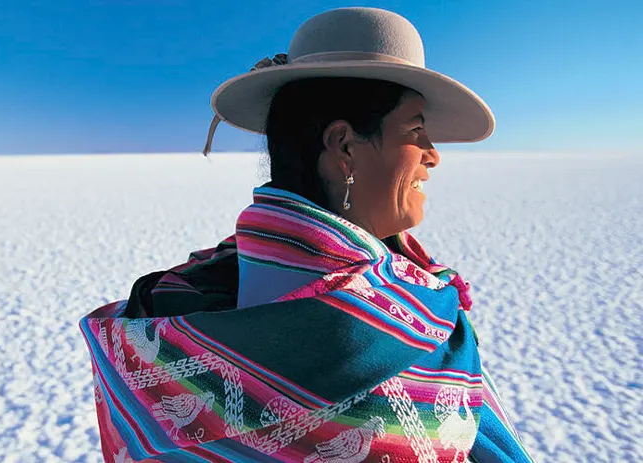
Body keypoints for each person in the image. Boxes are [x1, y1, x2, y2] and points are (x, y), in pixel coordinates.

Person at [80, 7, 535, 463]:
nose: (432, 155)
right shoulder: (398, 331)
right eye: (416, 130)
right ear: (344, 146)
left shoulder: (158, 326)